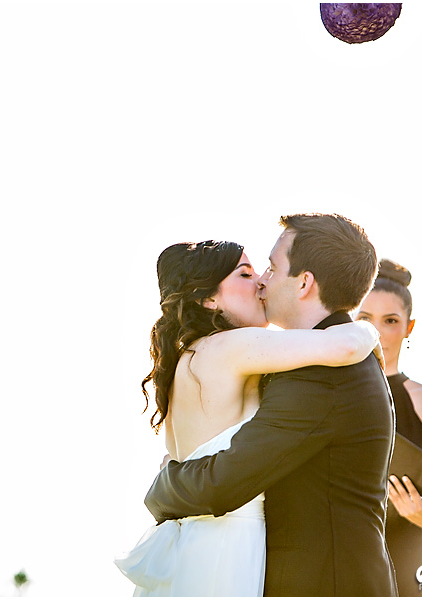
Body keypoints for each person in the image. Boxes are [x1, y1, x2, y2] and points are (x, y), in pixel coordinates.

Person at [143, 214, 398, 596]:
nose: (262, 280)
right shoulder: (300, 360)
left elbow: (221, 482)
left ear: (305, 282)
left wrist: (162, 485)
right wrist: (364, 331)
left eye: (271, 268)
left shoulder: (322, 375)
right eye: (250, 273)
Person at [357, 259, 422, 597]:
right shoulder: (323, 396)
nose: (376, 332)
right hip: (346, 560)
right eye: (364, 319)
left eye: (390, 321)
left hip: (415, 567)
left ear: (409, 327)